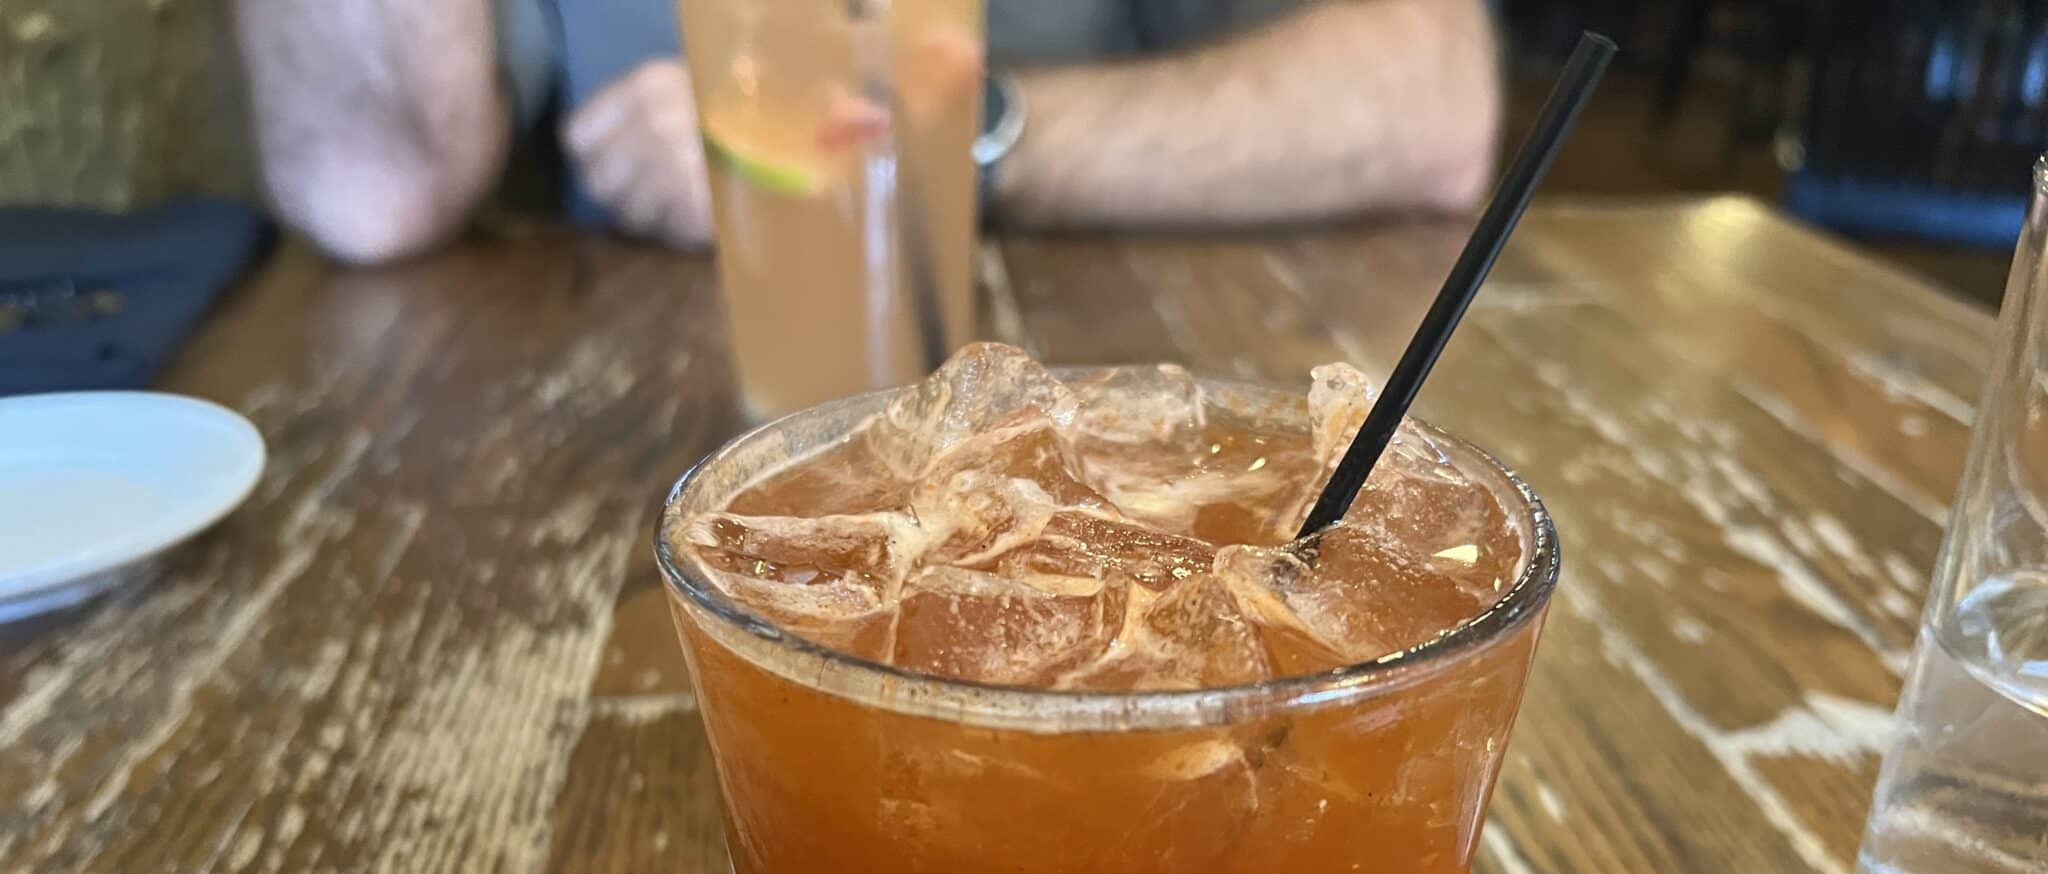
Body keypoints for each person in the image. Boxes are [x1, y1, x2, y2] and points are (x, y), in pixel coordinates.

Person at [232, 0, 1502, 266]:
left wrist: (919, 144)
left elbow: (1427, 95)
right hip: (620, 439)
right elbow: (371, 182)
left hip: (1113, 373)